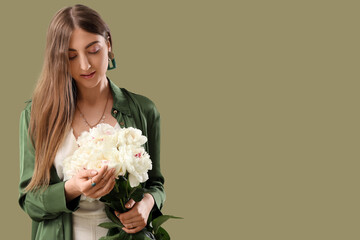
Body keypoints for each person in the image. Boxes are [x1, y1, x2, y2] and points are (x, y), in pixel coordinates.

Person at [18, 4, 165, 240]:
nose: (85, 65)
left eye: (93, 50)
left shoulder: (144, 110)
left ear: (108, 44)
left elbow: (156, 184)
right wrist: (72, 188)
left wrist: (147, 204)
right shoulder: (37, 115)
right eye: (71, 56)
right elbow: (30, 202)